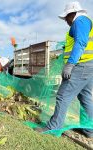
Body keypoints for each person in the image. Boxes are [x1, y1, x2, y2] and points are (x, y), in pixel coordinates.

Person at [35, 1, 93, 138]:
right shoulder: (84, 22)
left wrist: (70, 64)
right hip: (88, 66)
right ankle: (89, 130)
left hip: (81, 65)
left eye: (66, 17)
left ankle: (54, 127)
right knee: (85, 97)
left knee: (62, 95)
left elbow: (81, 42)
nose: (65, 21)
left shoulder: (80, 21)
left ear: (72, 14)